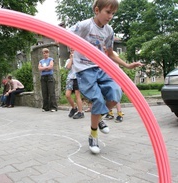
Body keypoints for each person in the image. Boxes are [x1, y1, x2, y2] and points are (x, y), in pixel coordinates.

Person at [69, 0, 143, 154]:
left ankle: (99, 117)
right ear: (97, 10)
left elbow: (109, 53)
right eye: (108, 12)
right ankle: (93, 135)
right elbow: (64, 36)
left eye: (113, 14)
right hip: (84, 69)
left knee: (116, 93)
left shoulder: (109, 31)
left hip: (101, 67)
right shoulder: (84, 25)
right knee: (97, 99)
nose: (110, 16)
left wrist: (127, 65)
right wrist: (72, 46)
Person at [65, 49, 84, 119]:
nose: (72, 52)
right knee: (67, 95)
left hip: (77, 78)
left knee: (77, 95)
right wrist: (71, 59)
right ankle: (74, 108)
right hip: (70, 78)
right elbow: (68, 67)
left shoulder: (79, 60)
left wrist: (75, 59)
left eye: (73, 50)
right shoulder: (68, 60)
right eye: (71, 51)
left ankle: (80, 112)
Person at [38, 48, 57, 112]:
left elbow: (51, 67)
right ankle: (45, 107)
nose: (45, 54)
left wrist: (44, 68)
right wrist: (46, 68)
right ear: (43, 54)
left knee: (51, 92)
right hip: (43, 78)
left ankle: (53, 107)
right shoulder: (41, 61)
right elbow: (39, 68)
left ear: (48, 53)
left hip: (49, 77)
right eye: (44, 53)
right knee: (44, 93)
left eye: (46, 52)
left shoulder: (51, 59)